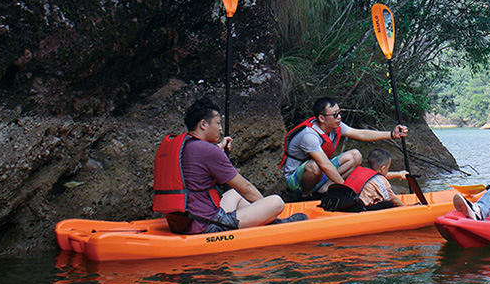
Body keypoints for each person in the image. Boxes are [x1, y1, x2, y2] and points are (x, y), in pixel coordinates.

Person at [154, 98, 305, 235]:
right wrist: (271, 213)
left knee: (234, 194)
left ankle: (267, 221)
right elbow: (245, 188)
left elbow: (195, 164)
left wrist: (218, 148)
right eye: (218, 123)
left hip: (181, 222)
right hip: (206, 225)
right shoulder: (208, 151)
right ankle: (277, 223)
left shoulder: (181, 146)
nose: (220, 129)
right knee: (276, 202)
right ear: (203, 124)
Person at [280, 97, 408, 198]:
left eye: (339, 113)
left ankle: (324, 190)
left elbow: (361, 133)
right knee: (315, 165)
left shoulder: (335, 126)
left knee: (355, 155)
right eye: (335, 115)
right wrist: (346, 188)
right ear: (321, 118)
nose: (339, 117)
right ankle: (306, 196)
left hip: (319, 174)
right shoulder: (309, 136)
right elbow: (325, 165)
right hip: (296, 180)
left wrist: (392, 134)